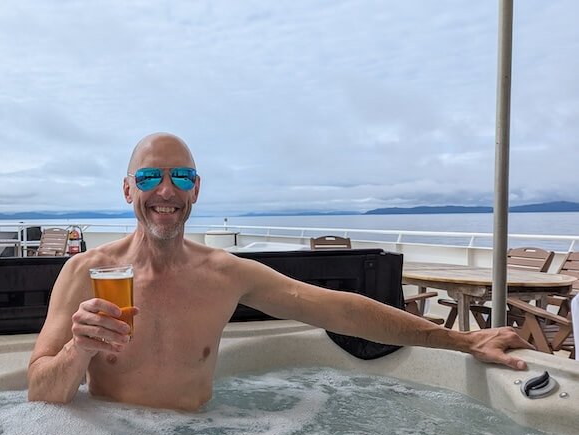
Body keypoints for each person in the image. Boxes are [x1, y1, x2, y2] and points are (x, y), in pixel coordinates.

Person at [27, 132, 534, 410]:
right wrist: (80, 348)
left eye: (180, 176)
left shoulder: (223, 273)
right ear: (127, 189)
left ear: (196, 190)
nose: (166, 190)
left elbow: (337, 309)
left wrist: (462, 341)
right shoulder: (84, 272)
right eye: (149, 177)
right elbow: (40, 391)